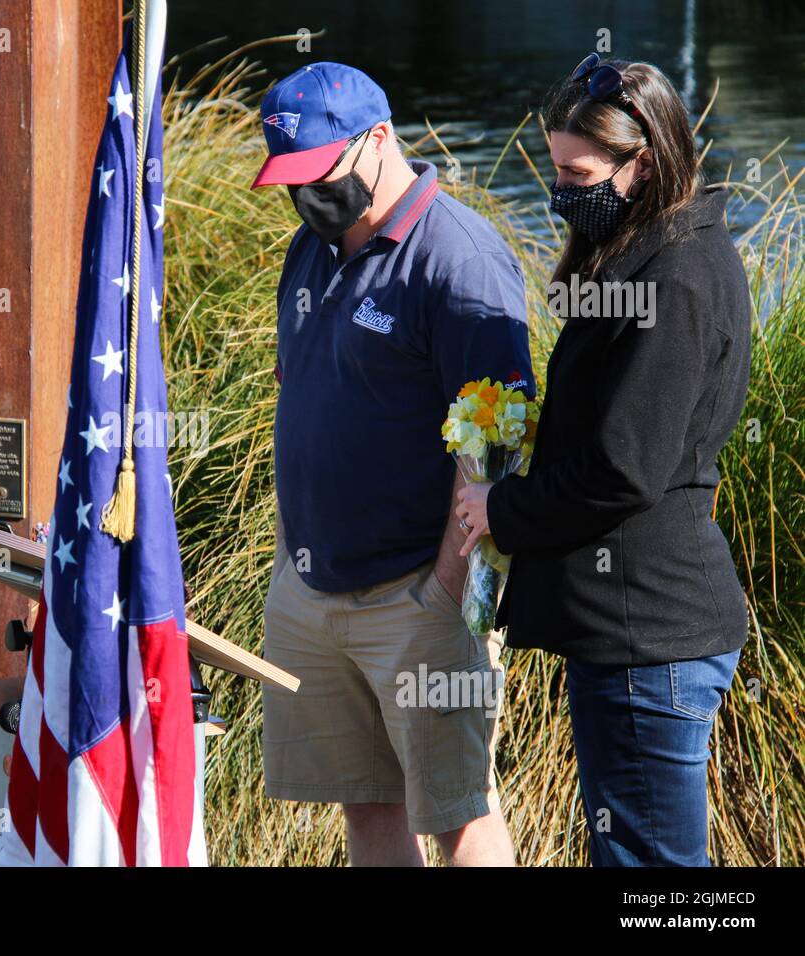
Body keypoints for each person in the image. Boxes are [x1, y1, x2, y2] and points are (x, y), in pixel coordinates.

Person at [455, 54, 752, 867]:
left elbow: (626, 467)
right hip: (640, 633)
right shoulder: (653, 250)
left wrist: (501, 512)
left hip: (646, 638)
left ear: (643, 162)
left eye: (575, 173)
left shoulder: (678, 277)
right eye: (553, 170)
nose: (560, 191)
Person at [252, 62, 536, 866]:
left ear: (377, 140)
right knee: (365, 802)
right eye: (292, 181)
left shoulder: (460, 260)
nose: (306, 197)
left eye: (318, 175)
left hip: (418, 594)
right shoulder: (310, 248)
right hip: (312, 587)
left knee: (458, 812)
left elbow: (495, 442)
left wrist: (448, 586)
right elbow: (303, 390)